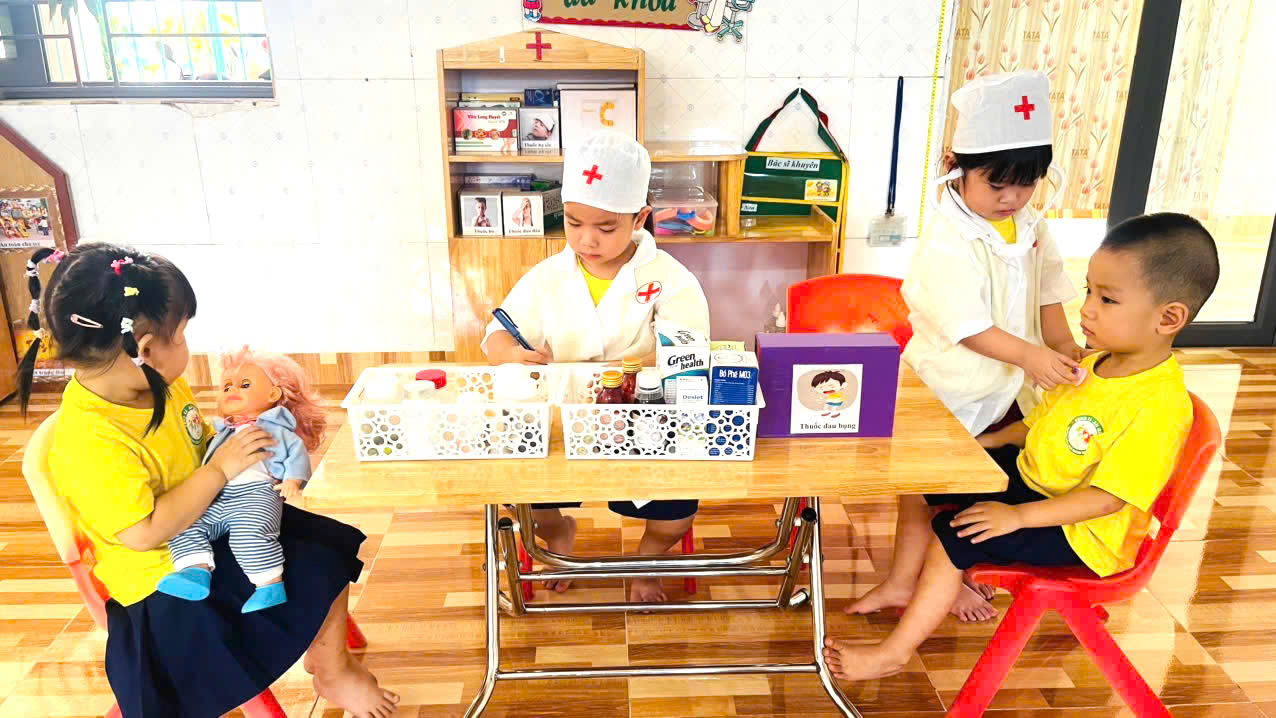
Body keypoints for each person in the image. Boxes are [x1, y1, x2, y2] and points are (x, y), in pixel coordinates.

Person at [825, 213, 1219, 681]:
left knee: (956, 535)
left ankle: (895, 652)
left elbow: (1107, 500)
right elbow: (1039, 426)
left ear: (1168, 318)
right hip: (1039, 482)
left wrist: (1016, 517)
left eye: (1107, 299)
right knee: (928, 474)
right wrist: (980, 444)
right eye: (1089, 291)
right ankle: (903, 584)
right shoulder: (1097, 364)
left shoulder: (1159, 406)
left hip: (1081, 533)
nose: (1086, 310)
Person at [19, 245, 399, 718]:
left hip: (211, 522)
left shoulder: (156, 382)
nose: (187, 347)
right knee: (312, 564)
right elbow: (143, 533)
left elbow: (196, 442)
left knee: (325, 542)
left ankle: (331, 665)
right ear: (145, 350)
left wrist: (255, 441)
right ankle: (332, 666)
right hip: (167, 580)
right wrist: (219, 470)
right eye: (182, 335)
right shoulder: (89, 440)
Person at [856, 71, 1082, 622]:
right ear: (957, 166)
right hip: (950, 388)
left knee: (972, 490)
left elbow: (1049, 293)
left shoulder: (1032, 227)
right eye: (997, 184)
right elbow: (966, 325)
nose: (1011, 198)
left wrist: (1063, 345)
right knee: (927, 492)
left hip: (1010, 390)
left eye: (1026, 184)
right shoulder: (948, 239)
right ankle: (914, 582)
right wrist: (1031, 356)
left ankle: (933, 576)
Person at [483, 129, 710, 602]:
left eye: (606, 228)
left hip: (643, 419)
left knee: (676, 512)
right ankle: (557, 533)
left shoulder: (670, 279)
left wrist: (637, 365)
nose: (587, 239)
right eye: (573, 223)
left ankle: (647, 561)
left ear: (639, 218)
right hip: (562, 419)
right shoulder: (547, 277)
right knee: (523, 494)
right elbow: (497, 337)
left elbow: (689, 350)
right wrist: (514, 354)